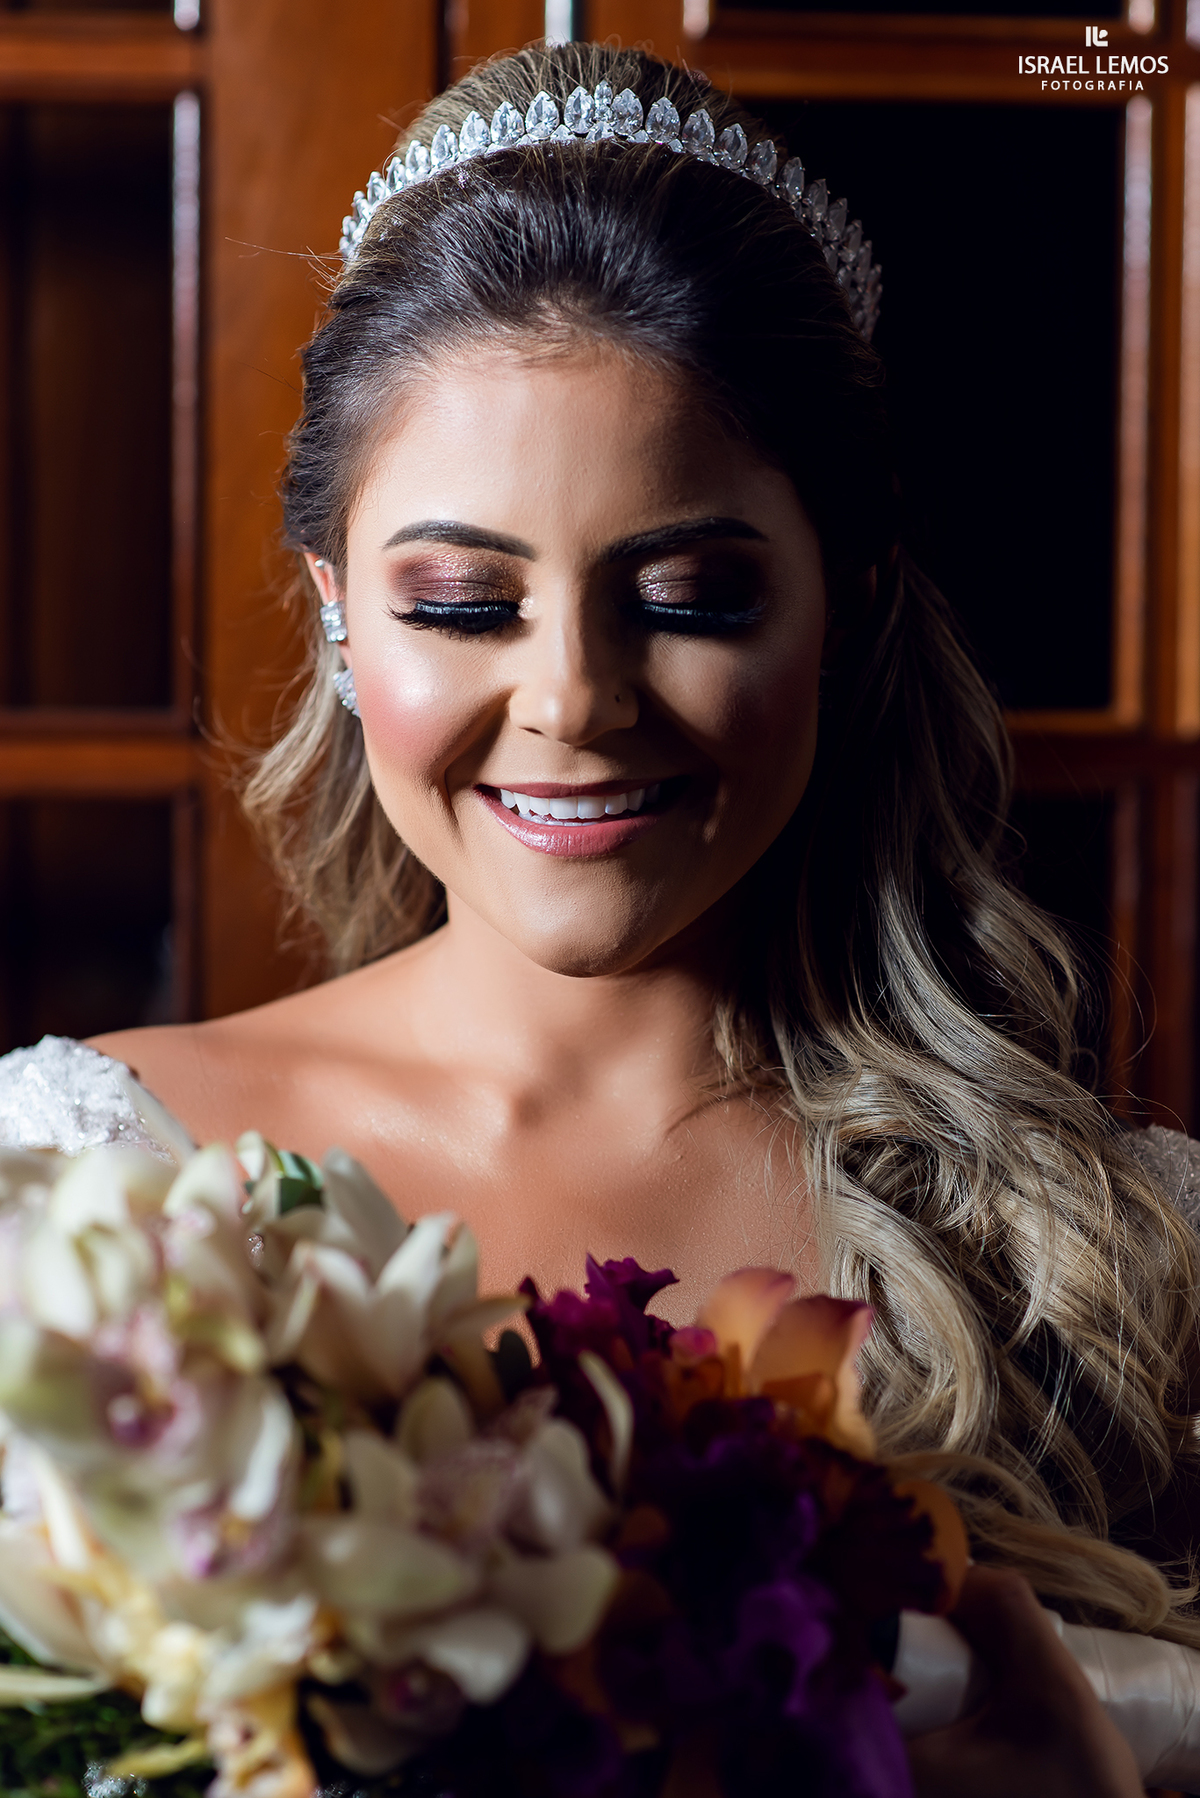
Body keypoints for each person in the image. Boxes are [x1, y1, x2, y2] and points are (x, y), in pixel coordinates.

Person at [1, 40, 1197, 1794]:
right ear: (342, 614)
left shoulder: (1109, 1258)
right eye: (467, 600)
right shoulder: (78, 1185)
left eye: (692, 594)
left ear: (849, 607)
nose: (574, 696)